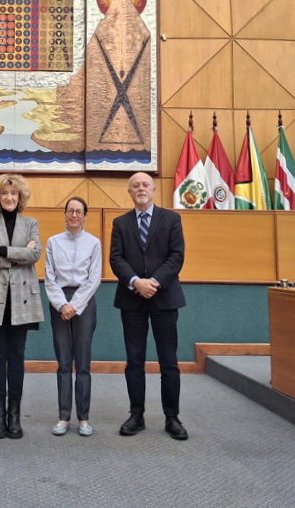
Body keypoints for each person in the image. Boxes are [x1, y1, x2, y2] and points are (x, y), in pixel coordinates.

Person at [109, 172, 188, 440]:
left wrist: (153, 282)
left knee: (169, 361)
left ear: (154, 189)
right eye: (135, 186)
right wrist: (135, 282)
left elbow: (177, 256)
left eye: (145, 185)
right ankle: (136, 415)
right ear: (129, 193)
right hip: (132, 300)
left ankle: (172, 417)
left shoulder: (172, 219)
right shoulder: (120, 223)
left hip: (164, 298)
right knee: (134, 361)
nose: (141, 189)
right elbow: (116, 258)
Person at [0, 173, 43, 440]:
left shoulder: (30, 223)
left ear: (20, 197)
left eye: (14, 194)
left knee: (17, 357)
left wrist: (1, 250)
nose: (10, 198)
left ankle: (15, 416)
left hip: (22, 300)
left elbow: (35, 254)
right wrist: (18, 254)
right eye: (4, 194)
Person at [45, 197, 102, 437]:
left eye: (79, 211)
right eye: (70, 211)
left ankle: (84, 418)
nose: (74, 215)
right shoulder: (53, 242)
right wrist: (62, 305)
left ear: (85, 215)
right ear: (65, 214)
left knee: (83, 363)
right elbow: (49, 277)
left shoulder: (94, 243)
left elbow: (94, 278)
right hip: (59, 302)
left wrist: (75, 305)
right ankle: (63, 416)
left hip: (84, 302)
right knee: (64, 363)